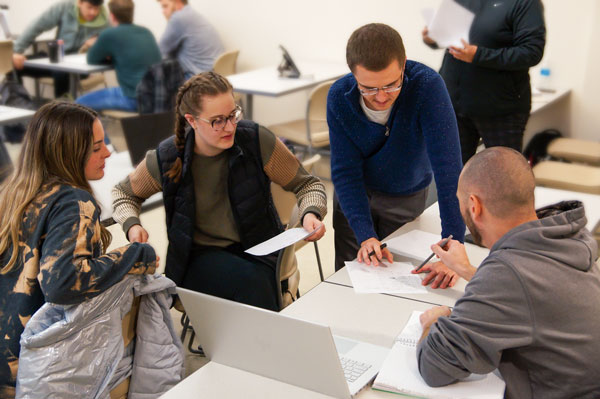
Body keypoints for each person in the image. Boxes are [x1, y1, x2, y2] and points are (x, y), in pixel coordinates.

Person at [112, 71, 327, 311]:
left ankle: (255, 342)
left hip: (259, 248)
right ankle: (263, 342)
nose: (229, 127)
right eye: (217, 121)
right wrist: (132, 225)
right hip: (198, 258)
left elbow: (308, 185)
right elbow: (123, 195)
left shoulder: (255, 141)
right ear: (192, 121)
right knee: (253, 282)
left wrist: (311, 213)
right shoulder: (168, 156)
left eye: (233, 115)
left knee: (257, 279)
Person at [0, 101, 158, 398]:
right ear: (69, 154)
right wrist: (137, 255)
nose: (108, 153)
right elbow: (64, 284)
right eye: (97, 147)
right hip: (33, 366)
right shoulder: (73, 202)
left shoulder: (13, 191)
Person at [417, 147, 600, 399]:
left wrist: (434, 323)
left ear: (474, 205)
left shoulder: (507, 274)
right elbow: (533, 289)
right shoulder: (569, 236)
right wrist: (468, 271)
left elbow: (433, 366)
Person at [327, 23, 465, 287]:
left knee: (402, 281)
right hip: (354, 198)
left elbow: (448, 170)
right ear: (353, 74)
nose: (380, 98)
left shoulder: (427, 87)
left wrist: (452, 242)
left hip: (404, 195)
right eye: (368, 88)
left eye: (391, 85)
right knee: (349, 283)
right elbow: (345, 171)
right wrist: (365, 234)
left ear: (403, 66)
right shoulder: (339, 97)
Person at [422, 0, 546, 165]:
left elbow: (531, 52)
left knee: (502, 179)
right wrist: (433, 38)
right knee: (453, 177)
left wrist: (478, 55)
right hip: (454, 106)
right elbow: (447, 37)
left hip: (501, 111)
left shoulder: (525, 3)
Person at [75, 0, 161, 112]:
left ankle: (101, 130)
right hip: (156, 97)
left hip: (133, 98)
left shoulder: (109, 34)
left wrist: (93, 44)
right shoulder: (146, 32)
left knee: (77, 104)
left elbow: (91, 59)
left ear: (112, 16)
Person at [12, 0, 109, 98]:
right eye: (89, 7)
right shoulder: (64, 7)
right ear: (80, 3)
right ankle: (19, 103)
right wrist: (16, 52)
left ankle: (62, 110)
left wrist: (98, 44)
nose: (93, 12)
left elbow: (111, 47)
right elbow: (36, 26)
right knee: (13, 65)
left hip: (80, 66)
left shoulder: (105, 20)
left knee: (62, 72)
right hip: (57, 59)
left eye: (97, 8)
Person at [157, 0, 224, 80]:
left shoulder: (178, 18)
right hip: (214, 75)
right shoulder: (192, 14)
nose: (163, 12)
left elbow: (158, 52)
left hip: (199, 80)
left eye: (165, 6)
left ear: (178, 2)